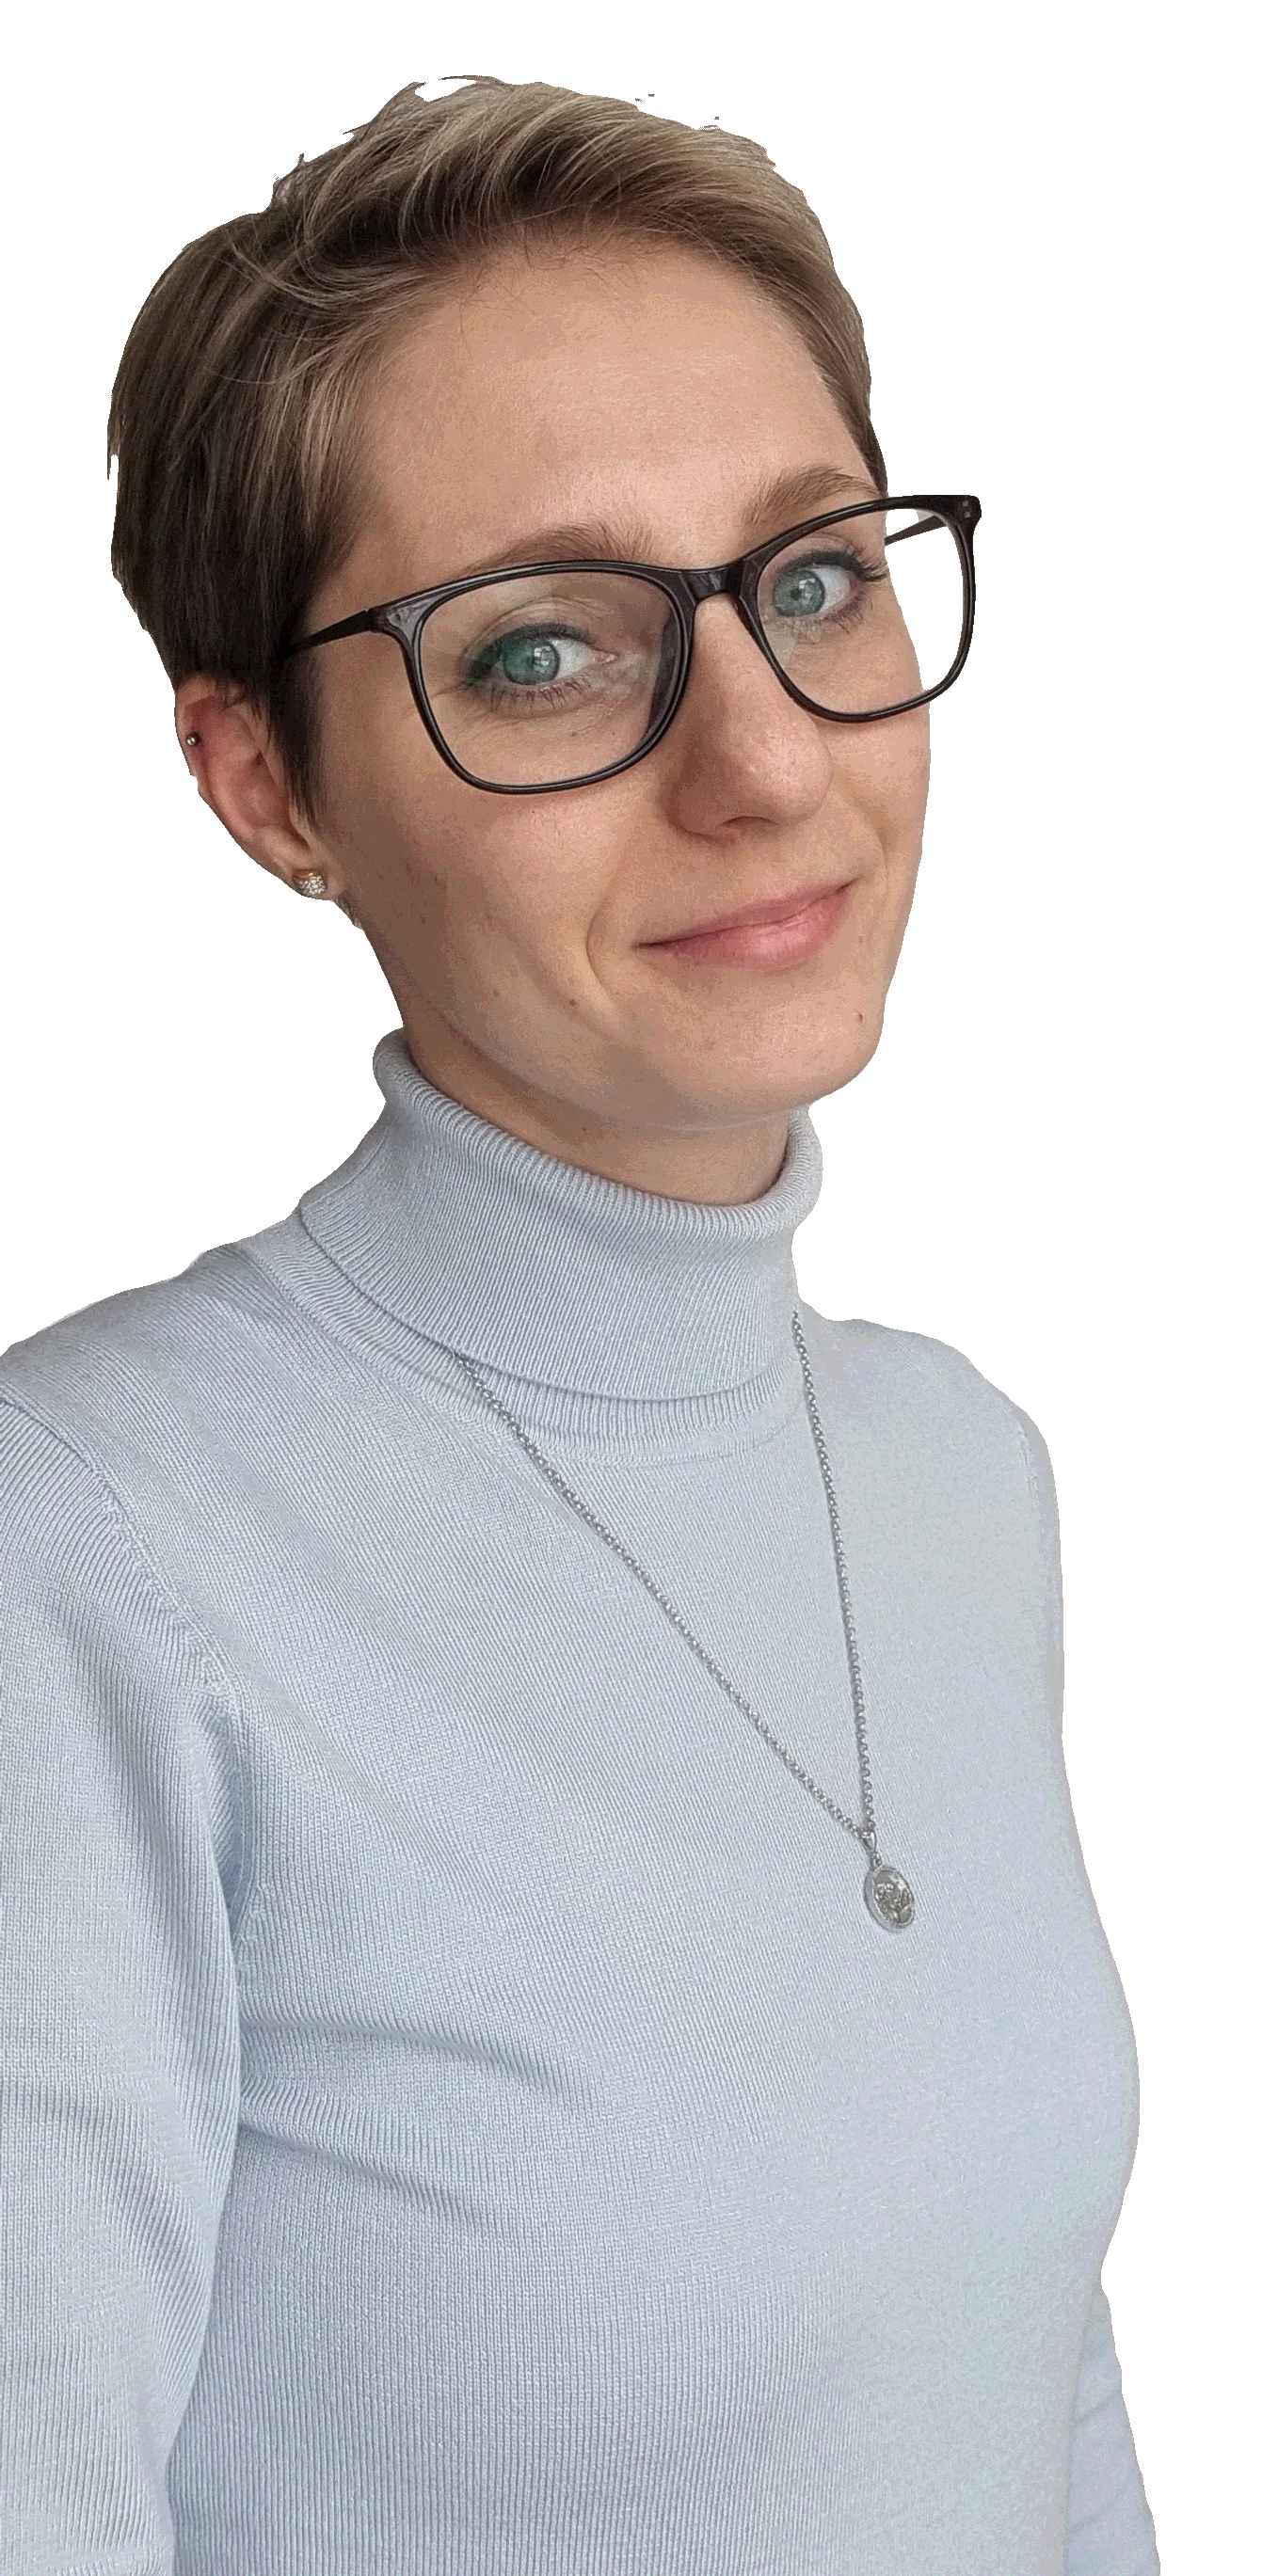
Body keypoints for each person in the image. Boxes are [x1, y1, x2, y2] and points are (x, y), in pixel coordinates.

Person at [2, 75, 1157, 2573]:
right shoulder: (82, 1532)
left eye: (816, 582)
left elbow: (1030, 2382)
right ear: (262, 785)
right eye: (541, 648)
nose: (763, 764)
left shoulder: (960, 1468)